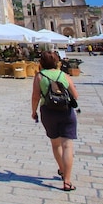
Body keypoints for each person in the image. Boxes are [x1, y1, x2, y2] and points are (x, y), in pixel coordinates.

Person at [31, 50, 79, 192]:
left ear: (41, 63)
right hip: (66, 112)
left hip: (48, 112)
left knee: (56, 144)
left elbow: (35, 97)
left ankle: (62, 169)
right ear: (57, 62)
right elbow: (75, 95)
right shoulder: (63, 75)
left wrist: (33, 112)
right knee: (67, 146)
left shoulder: (39, 77)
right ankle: (67, 181)